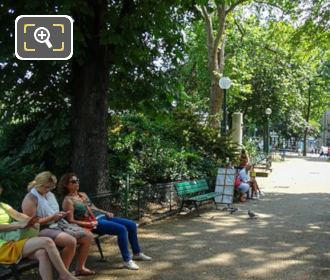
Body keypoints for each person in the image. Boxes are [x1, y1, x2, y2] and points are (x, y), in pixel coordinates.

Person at [58, 173, 152, 270]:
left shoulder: (82, 195)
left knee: (131, 225)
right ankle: (127, 260)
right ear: (66, 184)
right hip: (93, 223)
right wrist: (88, 224)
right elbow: (71, 220)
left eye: (77, 180)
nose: (77, 183)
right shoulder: (67, 201)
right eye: (73, 181)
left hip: (102, 217)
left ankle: (136, 253)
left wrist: (106, 212)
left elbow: (94, 208)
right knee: (122, 229)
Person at [21, 171, 95, 276]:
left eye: (51, 188)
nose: (49, 190)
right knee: (70, 241)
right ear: (39, 185)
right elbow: (31, 223)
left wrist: (61, 215)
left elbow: (53, 211)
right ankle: (64, 274)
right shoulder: (30, 198)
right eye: (47, 187)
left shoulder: (49, 194)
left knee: (88, 236)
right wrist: (52, 217)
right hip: (40, 229)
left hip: (57, 224)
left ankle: (80, 268)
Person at [0, 185, 78, 280]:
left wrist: (30, 220)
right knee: (47, 241)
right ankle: (64, 275)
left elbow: (17, 215)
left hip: (12, 241)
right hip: (3, 248)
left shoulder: (3, 205)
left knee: (42, 253)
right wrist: (19, 225)